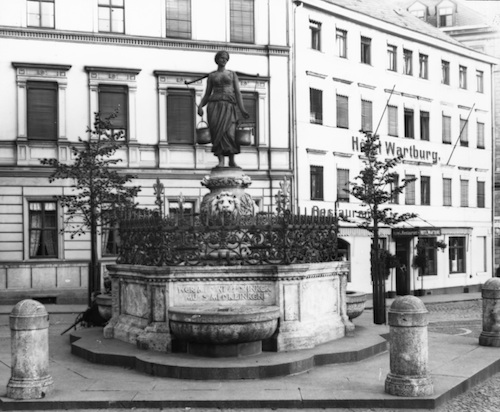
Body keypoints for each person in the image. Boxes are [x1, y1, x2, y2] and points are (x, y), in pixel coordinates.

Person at [198, 50, 249, 168]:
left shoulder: (232, 74)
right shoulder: (212, 76)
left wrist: (242, 109)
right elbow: (207, 94)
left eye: (226, 58)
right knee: (217, 134)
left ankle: (231, 160)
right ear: (217, 59)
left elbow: (237, 93)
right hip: (214, 106)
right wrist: (200, 106)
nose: (224, 60)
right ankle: (220, 160)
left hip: (229, 106)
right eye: (221, 58)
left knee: (230, 133)